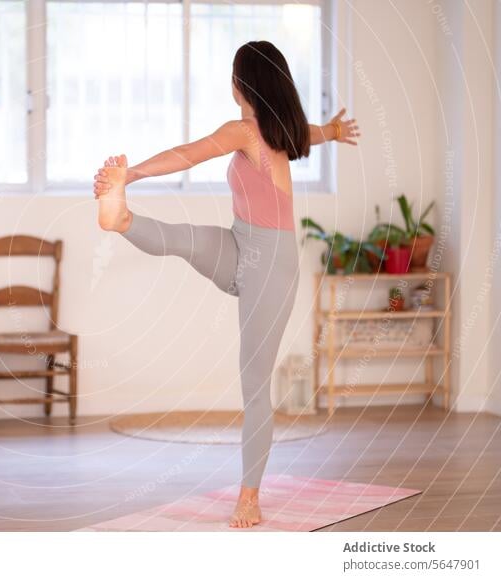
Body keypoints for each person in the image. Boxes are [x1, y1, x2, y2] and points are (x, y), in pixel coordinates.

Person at [93, 40, 360, 528]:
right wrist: (336, 130)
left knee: (254, 384)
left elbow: (188, 154)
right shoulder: (276, 131)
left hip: (271, 266)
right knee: (184, 239)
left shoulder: (248, 131)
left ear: (243, 83)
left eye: (232, 74)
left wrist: (134, 170)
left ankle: (250, 497)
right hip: (243, 244)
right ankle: (121, 217)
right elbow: (311, 134)